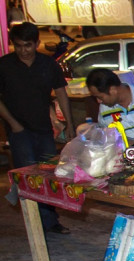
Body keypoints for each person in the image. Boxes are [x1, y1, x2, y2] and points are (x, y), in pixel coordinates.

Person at [0, 22, 75, 234]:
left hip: (43, 129)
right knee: (28, 177)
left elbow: (61, 93)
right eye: (19, 46)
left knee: (49, 176)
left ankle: (50, 222)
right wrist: (14, 125)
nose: (23, 50)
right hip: (19, 131)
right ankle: (36, 225)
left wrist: (68, 124)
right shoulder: (4, 65)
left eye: (28, 45)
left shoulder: (47, 64)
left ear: (37, 43)